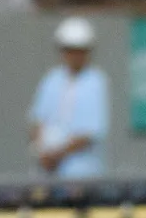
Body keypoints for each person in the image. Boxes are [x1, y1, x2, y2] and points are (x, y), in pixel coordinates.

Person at [27, 17, 110, 179]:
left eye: (79, 50)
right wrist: (42, 153)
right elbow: (37, 121)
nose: (74, 55)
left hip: (83, 173)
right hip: (47, 172)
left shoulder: (96, 81)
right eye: (69, 50)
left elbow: (90, 133)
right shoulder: (51, 79)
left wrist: (57, 155)